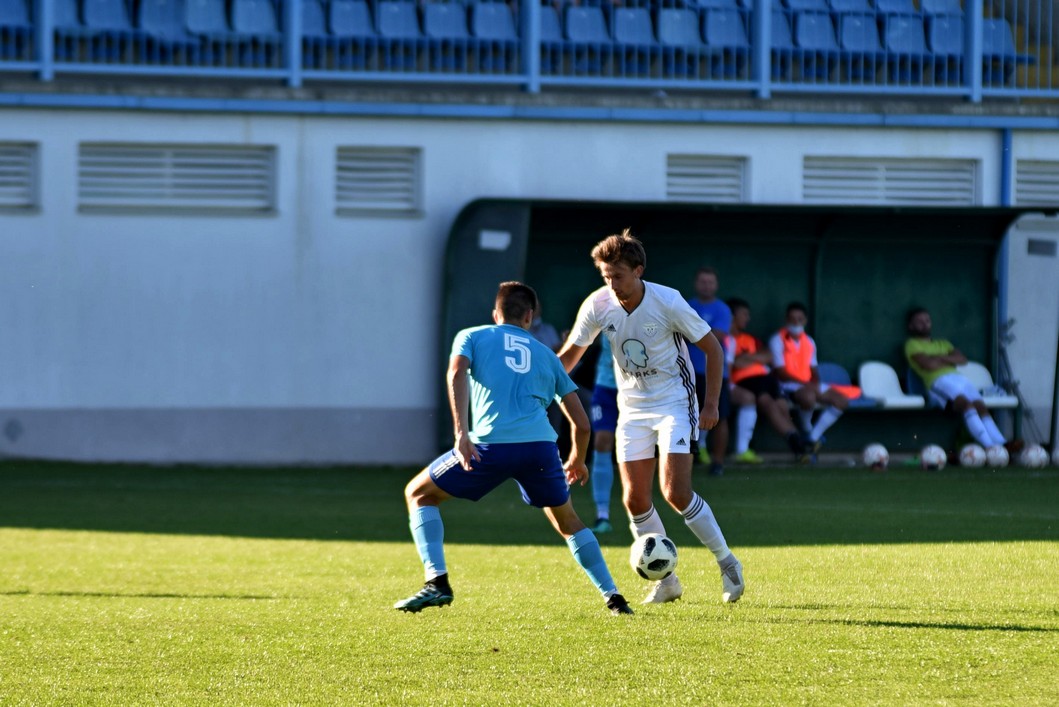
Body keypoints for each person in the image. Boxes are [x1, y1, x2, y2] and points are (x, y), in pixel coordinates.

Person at [395, 281, 633, 616]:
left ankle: (437, 582)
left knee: (418, 494)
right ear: (530, 317)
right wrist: (577, 459)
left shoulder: (472, 336)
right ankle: (614, 598)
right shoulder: (546, 355)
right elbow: (581, 423)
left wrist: (461, 432)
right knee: (568, 522)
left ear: (496, 313)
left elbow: (456, 372)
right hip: (540, 449)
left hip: (490, 446)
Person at [558, 229, 744, 605]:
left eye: (618, 276)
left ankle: (727, 564)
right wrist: (537, 380)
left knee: (675, 492)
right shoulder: (598, 304)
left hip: (676, 401)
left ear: (638, 270)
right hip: (632, 409)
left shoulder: (668, 300)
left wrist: (710, 405)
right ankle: (668, 580)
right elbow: (568, 358)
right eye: (606, 276)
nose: (612, 284)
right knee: (634, 500)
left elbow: (713, 349)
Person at [905, 307, 1016, 452]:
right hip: (938, 381)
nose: (924, 324)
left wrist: (938, 357)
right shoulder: (911, 345)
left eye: (927, 320)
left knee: (980, 406)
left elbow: (962, 359)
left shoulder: (943, 343)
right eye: (919, 322)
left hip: (959, 379)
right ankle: (990, 447)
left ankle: (1002, 443)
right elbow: (929, 365)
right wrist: (948, 359)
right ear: (911, 326)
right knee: (967, 405)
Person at [727, 298, 807, 464]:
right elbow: (734, 363)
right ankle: (799, 444)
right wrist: (753, 359)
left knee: (782, 405)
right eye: (744, 314)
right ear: (732, 316)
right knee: (767, 403)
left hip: (766, 378)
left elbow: (768, 356)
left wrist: (746, 358)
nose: (747, 318)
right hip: (746, 381)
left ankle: (798, 443)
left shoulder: (751, 339)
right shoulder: (725, 339)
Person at [769, 302, 849, 460]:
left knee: (841, 400)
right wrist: (806, 384)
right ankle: (806, 429)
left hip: (807, 384)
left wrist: (815, 383)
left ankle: (812, 438)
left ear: (805, 320)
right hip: (787, 386)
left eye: (800, 319)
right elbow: (781, 372)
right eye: (792, 319)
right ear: (786, 319)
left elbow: (813, 368)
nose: (796, 322)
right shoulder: (777, 340)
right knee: (808, 397)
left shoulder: (809, 341)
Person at [687, 267, 732, 477]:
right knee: (686, 416)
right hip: (688, 372)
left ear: (716, 285)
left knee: (720, 417)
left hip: (715, 374)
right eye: (703, 282)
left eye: (710, 282)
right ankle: (688, 458)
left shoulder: (722, 309)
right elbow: (679, 333)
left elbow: (718, 336)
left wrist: (693, 331)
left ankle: (718, 462)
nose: (706, 286)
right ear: (697, 284)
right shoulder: (687, 306)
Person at [588, 335, 618, 534]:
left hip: (640, 389)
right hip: (605, 386)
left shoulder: (651, 305)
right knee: (602, 441)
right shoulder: (600, 305)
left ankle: (643, 515)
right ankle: (602, 515)